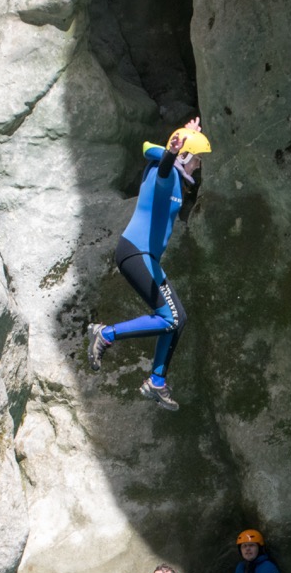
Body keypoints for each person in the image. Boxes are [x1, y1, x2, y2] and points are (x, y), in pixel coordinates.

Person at [85, 118, 212, 411]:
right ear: (184, 155)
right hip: (136, 252)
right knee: (168, 318)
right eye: (197, 159)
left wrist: (187, 137)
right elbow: (166, 165)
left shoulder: (177, 179)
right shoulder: (163, 172)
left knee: (178, 319)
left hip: (147, 258)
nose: (199, 166)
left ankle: (156, 381)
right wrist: (172, 151)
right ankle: (105, 334)